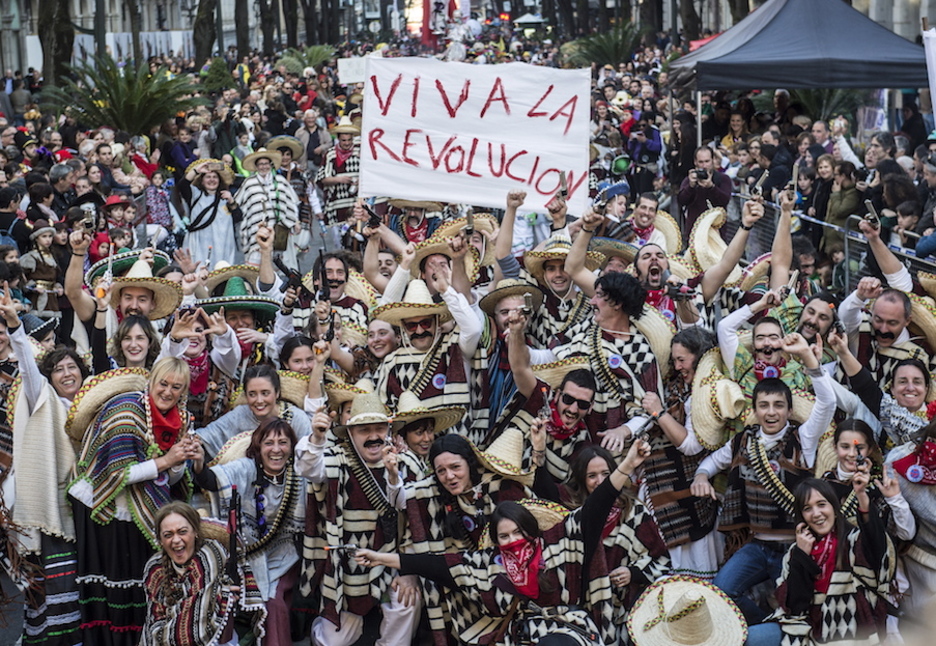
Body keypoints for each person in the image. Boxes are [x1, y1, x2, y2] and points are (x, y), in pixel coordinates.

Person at [355, 438, 650, 646]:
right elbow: (429, 564)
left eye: (518, 533)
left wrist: (626, 465)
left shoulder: (558, 541)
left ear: (533, 530)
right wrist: (380, 558)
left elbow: (596, 506)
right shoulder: (488, 563)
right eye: (504, 537)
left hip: (569, 628)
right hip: (522, 633)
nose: (512, 542)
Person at [68, 357, 197, 645]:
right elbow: (117, 474)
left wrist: (179, 461)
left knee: (139, 580)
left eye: (176, 387)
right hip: (104, 504)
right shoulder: (126, 410)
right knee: (112, 579)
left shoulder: (182, 419)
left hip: (139, 509)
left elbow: (172, 481)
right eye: (162, 384)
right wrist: (168, 459)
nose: (168, 392)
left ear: (184, 390)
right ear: (151, 382)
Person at [295, 393, 421, 646]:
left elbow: (415, 514)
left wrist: (409, 571)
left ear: (388, 429)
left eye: (379, 428)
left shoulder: (406, 461)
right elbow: (308, 468)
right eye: (364, 430)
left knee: (407, 602)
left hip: (390, 563)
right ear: (350, 433)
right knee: (333, 640)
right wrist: (318, 437)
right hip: (346, 568)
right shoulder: (335, 460)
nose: (373, 436)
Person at [194, 418, 305, 646]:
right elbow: (211, 480)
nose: (276, 450)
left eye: (283, 443)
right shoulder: (246, 468)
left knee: (274, 603)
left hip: (284, 555)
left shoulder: (299, 477)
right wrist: (197, 463)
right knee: (224, 597)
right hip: (245, 557)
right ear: (258, 448)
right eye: (269, 443)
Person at [745, 479, 895, 646]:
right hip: (807, 628)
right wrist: (802, 556)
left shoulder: (853, 542)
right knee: (749, 638)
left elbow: (875, 541)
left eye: (821, 504)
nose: (816, 514)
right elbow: (795, 607)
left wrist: (861, 496)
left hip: (850, 630)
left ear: (834, 507)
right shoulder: (797, 550)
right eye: (807, 509)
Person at [560, 446, 671, 640]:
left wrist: (633, 572)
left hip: (627, 610)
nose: (600, 481)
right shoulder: (573, 517)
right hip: (585, 610)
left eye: (605, 474)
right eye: (592, 476)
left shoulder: (634, 511)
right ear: (581, 480)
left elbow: (661, 559)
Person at [141, 501, 267, 646]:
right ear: (160, 540)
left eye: (182, 532)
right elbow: (155, 618)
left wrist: (221, 595)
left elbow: (196, 619)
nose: (176, 540)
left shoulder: (210, 555)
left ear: (195, 532)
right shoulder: (155, 567)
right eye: (168, 535)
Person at [178, 158, 240, 267]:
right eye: (208, 177)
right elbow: (182, 185)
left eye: (215, 177)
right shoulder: (195, 195)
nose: (211, 180)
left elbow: (238, 217)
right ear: (202, 181)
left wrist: (231, 201)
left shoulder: (225, 198)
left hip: (222, 244)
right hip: (200, 243)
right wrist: (197, 171)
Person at [676, 146, 731, 243]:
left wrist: (711, 187)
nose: (704, 166)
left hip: (716, 232)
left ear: (713, 160)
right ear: (695, 162)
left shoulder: (723, 179)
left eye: (707, 161)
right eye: (701, 162)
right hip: (694, 232)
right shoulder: (689, 180)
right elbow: (681, 201)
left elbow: (724, 200)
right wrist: (691, 186)